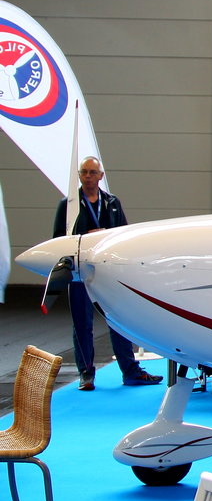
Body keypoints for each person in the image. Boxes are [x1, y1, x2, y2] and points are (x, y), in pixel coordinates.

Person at [53, 156, 162, 390]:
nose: (88, 176)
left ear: (101, 176)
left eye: (92, 172)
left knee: (118, 320)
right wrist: (86, 237)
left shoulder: (112, 202)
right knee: (82, 324)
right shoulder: (69, 205)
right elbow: (58, 240)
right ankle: (86, 375)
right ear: (79, 175)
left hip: (107, 273)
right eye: (84, 172)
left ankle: (130, 371)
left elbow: (124, 235)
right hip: (81, 272)